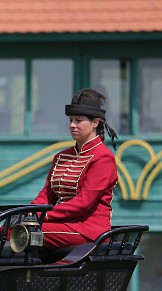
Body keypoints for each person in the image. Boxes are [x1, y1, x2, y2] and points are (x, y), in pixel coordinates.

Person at [32, 88, 118, 250]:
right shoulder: (61, 156)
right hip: (63, 225)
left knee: (22, 233)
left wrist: (44, 216)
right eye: (71, 120)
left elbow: (83, 203)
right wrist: (29, 213)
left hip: (88, 230)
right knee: (8, 229)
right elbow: (46, 195)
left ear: (95, 123)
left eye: (78, 120)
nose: (72, 125)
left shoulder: (103, 157)